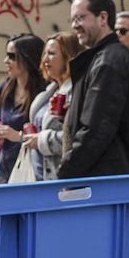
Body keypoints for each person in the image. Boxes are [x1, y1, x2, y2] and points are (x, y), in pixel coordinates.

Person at [58, 0, 129, 179]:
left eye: (80, 18)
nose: (75, 26)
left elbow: (97, 129)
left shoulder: (109, 61)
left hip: (112, 182)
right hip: (112, 179)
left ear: (103, 18)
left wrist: (66, 171)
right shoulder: (105, 58)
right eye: (72, 20)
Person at [0, 33, 45, 181]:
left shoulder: (44, 92)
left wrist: (17, 136)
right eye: (6, 55)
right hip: (7, 171)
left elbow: (47, 136)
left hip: (33, 173)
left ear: (28, 59)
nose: (6, 61)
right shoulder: (5, 88)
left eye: (12, 56)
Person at [23, 32, 79, 182]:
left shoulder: (76, 92)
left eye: (52, 53)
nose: (45, 59)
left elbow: (76, 137)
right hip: (38, 178)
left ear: (68, 57)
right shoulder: (49, 92)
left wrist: (42, 141)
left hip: (60, 179)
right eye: (45, 53)